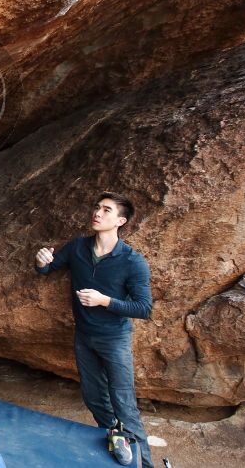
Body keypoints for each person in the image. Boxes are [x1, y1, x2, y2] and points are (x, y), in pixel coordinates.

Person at [34, 192, 154, 468]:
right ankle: (115, 437)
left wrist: (104, 301)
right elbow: (48, 267)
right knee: (94, 398)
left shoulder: (132, 261)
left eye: (106, 210)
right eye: (97, 207)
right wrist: (41, 261)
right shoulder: (78, 247)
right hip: (84, 336)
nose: (97, 213)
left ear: (120, 221)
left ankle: (144, 464)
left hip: (115, 339)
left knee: (125, 405)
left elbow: (144, 308)